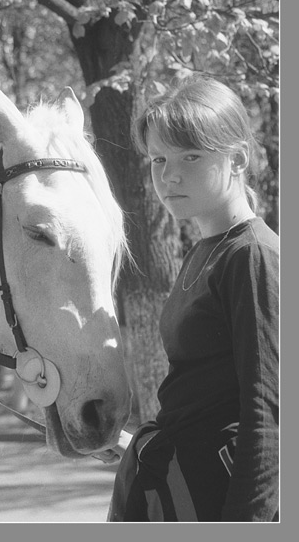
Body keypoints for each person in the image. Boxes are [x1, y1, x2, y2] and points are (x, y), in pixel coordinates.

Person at [101, 74, 279, 522]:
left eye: (191, 156)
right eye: (159, 158)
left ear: (237, 159)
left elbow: (270, 412)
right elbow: (203, 394)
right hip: (178, 484)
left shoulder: (252, 256)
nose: (169, 175)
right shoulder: (208, 250)